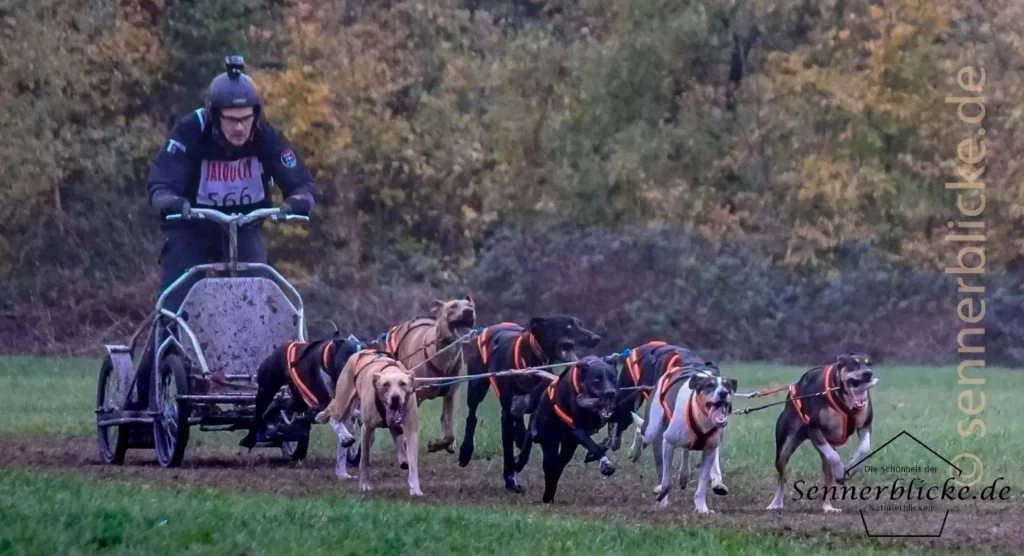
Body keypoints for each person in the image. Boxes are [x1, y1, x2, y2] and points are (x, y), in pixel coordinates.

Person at [136, 55, 317, 409]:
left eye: (246, 119)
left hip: (243, 230)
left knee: (260, 302)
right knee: (175, 309)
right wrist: (168, 199)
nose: (240, 128)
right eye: (232, 120)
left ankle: (261, 391)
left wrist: (298, 200)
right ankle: (145, 400)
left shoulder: (264, 136)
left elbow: (299, 180)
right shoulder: (189, 131)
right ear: (214, 116)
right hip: (190, 229)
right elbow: (162, 180)